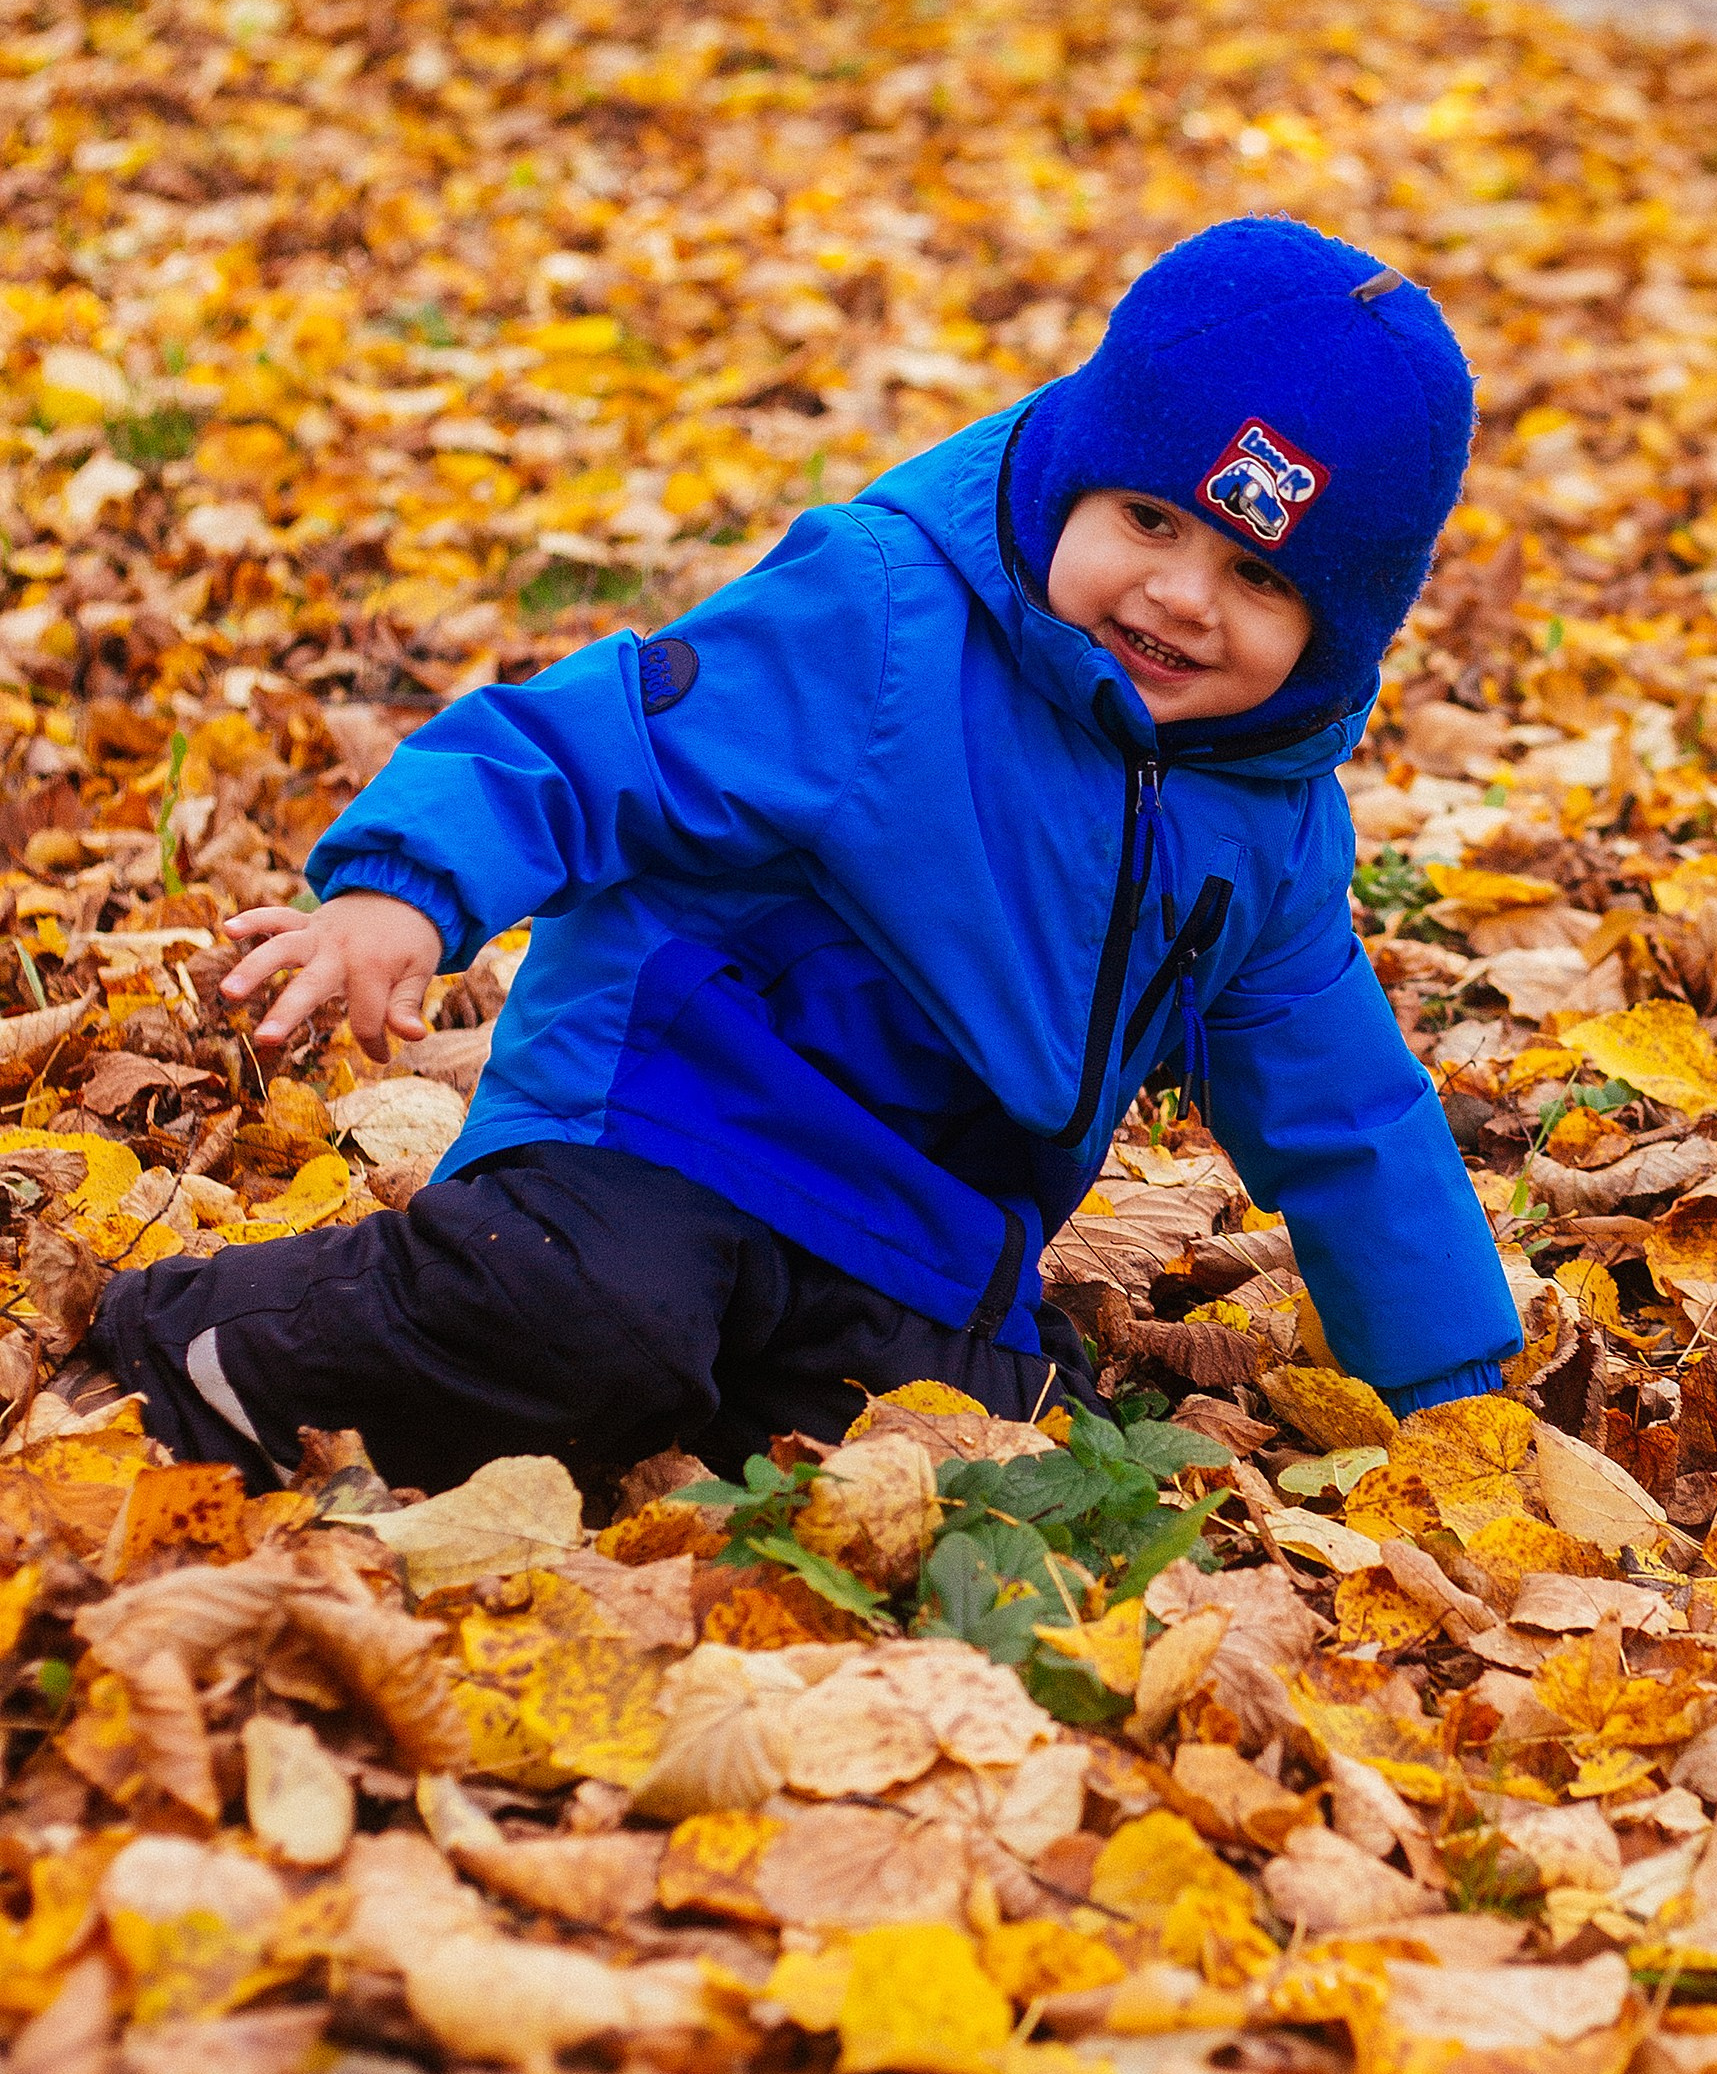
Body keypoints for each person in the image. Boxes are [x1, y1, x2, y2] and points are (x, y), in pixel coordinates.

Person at [90, 216, 1519, 1494]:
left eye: (1258, 577)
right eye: (1148, 518)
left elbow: (1347, 1111)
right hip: (675, 1118)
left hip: (920, 1231)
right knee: (594, 1325)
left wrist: (1449, 1390)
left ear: (1333, 637)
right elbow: (595, 744)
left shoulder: (1267, 823)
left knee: (1015, 1474)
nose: (1178, 597)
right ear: (1080, 472)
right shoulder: (888, 619)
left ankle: (694, 1420)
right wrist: (403, 891)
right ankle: (209, 1342)